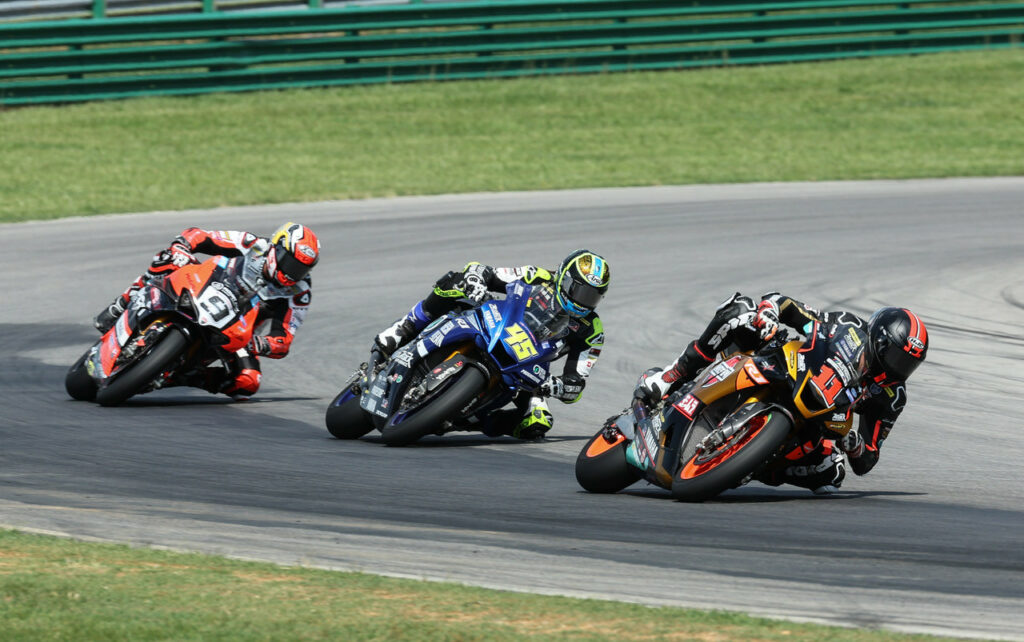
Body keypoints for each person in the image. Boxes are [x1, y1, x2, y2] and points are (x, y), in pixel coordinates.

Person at [636, 292, 929, 494]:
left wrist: (854, 445)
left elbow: (868, 459)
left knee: (833, 474)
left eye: (908, 365)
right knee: (740, 311)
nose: (899, 370)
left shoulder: (892, 396)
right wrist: (769, 315)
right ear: (878, 342)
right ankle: (671, 376)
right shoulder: (847, 326)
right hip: (786, 367)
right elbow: (786, 304)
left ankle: (755, 464)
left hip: (817, 422)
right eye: (897, 358)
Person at [373, 249, 611, 440]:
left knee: (537, 423)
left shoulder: (592, 330)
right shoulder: (536, 276)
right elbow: (484, 271)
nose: (585, 301)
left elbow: (576, 383)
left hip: (529, 368)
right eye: (581, 292)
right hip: (497, 324)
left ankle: (464, 420)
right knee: (454, 283)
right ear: (565, 279)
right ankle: (404, 327)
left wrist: (557, 387)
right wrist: (476, 280)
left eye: (593, 296)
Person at [93, 223, 320, 401]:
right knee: (166, 260)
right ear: (276, 247)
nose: (292, 274)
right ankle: (121, 304)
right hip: (203, 287)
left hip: (236, 334)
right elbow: (201, 236)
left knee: (248, 383)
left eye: (300, 269)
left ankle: (176, 376)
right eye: (289, 263)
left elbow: (283, 339)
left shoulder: (299, 292)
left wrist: (258, 344)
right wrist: (182, 246)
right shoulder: (252, 244)